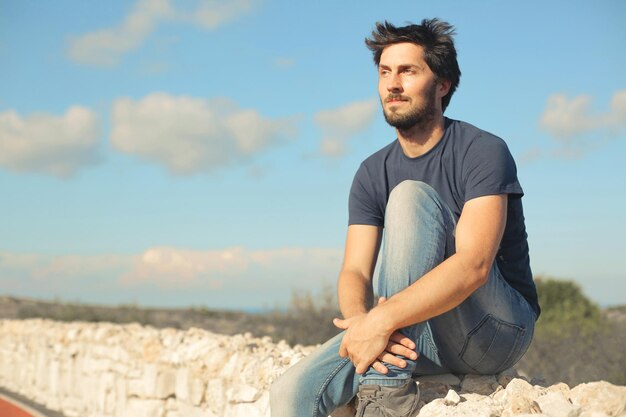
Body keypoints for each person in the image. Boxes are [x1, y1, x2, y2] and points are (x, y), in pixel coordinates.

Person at [270, 18, 540, 417]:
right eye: (384, 72)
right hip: (414, 334)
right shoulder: (370, 171)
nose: (392, 84)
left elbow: (474, 265)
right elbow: (355, 273)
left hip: (494, 331)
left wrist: (382, 323)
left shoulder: (482, 150)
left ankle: (385, 394)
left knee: (410, 197)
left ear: (443, 84)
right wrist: (363, 324)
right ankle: (382, 368)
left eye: (408, 71)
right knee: (291, 393)